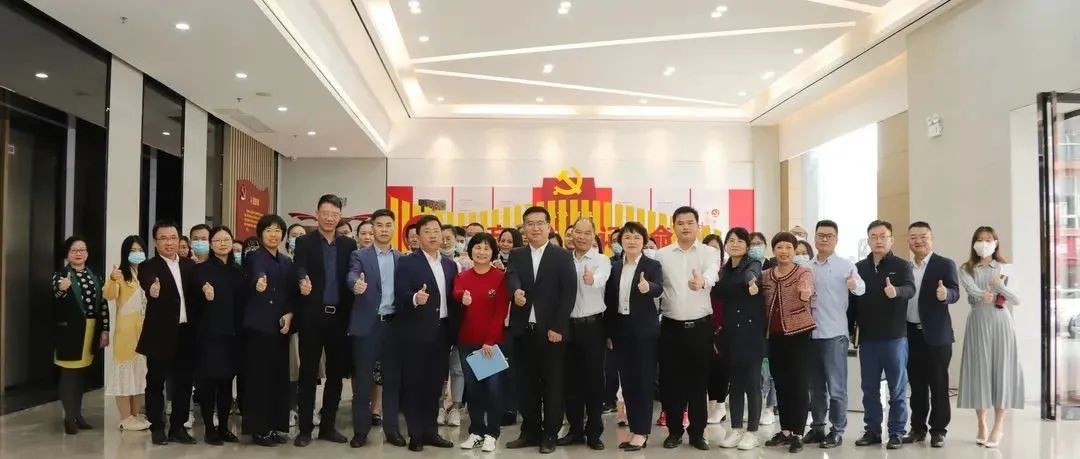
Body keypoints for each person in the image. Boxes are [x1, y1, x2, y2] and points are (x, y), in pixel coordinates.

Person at [504, 206, 577, 454]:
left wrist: (558, 326)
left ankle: (550, 434)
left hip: (551, 333)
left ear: (548, 226)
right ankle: (530, 432)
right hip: (523, 330)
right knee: (525, 385)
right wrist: (516, 291)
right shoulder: (517, 254)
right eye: (530, 224)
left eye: (539, 223)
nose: (535, 228)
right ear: (523, 228)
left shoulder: (562, 256)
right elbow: (511, 276)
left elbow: (568, 294)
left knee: (553, 386)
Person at [292, 194, 358, 446]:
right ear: (317, 214)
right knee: (308, 373)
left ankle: (328, 426)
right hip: (312, 316)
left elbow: (351, 275)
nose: (330, 218)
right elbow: (298, 267)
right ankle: (305, 429)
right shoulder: (304, 242)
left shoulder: (348, 245)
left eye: (335, 214)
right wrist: (302, 280)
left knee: (335, 375)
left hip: (339, 318)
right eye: (326, 213)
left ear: (340, 216)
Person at [394, 215, 460, 451]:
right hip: (415, 333)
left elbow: (453, 298)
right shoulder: (407, 262)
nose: (433, 235)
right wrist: (415, 298)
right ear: (418, 237)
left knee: (435, 385)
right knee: (414, 384)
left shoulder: (450, 265)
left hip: (442, 332)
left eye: (436, 231)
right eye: (427, 231)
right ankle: (416, 434)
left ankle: (431, 432)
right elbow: (399, 294)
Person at [656, 206, 719, 450]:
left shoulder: (709, 252)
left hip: (700, 328)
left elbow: (712, 274)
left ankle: (697, 433)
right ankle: (674, 431)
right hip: (670, 328)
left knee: (698, 383)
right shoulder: (662, 255)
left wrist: (702, 282)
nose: (685, 227)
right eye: (680, 223)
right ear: (673, 226)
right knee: (671, 382)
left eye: (690, 222)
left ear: (697, 225)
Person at [850, 220, 916, 450]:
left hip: (894, 337)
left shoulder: (902, 265)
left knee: (897, 389)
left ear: (891, 240)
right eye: (874, 236)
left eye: (883, 236)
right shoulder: (859, 268)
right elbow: (852, 303)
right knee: (869, 389)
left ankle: (897, 431)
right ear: (868, 240)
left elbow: (910, 289)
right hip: (868, 339)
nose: (878, 241)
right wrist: (850, 331)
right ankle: (872, 430)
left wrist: (896, 291)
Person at [957, 226, 1023, 448]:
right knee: (980, 371)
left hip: (1000, 321)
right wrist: (983, 293)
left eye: (988, 239)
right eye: (979, 239)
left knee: (1001, 371)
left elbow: (1016, 299)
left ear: (995, 243)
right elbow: (972, 291)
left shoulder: (1005, 268)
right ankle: (981, 423)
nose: (984, 243)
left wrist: (999, 287)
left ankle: (999, 425)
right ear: (974, 243)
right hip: (978, 321)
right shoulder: (966, 268)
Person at [346, 209, 405, 448]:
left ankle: (392, 430)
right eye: (379, 225)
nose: (383, 229)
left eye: (388, 225)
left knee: (392, 381)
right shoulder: (360, 255)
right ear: (372, 228)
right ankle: (361, 431)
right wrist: (355, 285)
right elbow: (351, 275)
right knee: (362, 382)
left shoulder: (402, 258)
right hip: (367, 327)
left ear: (393, 228)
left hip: (393, 326)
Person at [804, 220, 864, 449]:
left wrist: (853, 284)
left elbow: (862, 288)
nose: (824, 239)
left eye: (829, 235)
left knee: (836, 388)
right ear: (814, 238)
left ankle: (837, 430)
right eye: (821, 235)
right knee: (815, 387)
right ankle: (817, 427)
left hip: (834, 334)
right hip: (811, 334)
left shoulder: (845, 265)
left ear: (836, 239)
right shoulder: (806, 266)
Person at [603, 221, 663, 451]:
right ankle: (634, 428)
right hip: (620, 330)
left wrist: (649, 288)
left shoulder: (652, 265)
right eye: (627, 237)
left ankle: (642, 432)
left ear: (644, 241)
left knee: (643, 382)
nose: (631, 241)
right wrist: (609, 332)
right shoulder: (615, 267)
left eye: (637, 237)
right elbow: (610, 302)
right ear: (621, 241)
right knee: (627, 383)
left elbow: (659, 287)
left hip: (644, 332)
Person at [137, 221, 198, 445]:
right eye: (163, 238)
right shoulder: (148, 266)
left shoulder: (190, 265)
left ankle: (178, 428)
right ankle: (157, 427)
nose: (169, 242)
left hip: (186, 333)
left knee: (184, 383)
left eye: (173, 238)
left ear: (179, 239)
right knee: (156, 382)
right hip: (160, 334)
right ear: (156, 242)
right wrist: (152, 289)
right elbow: (147, 282)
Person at [903, 222, 961, 447]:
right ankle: (918, 428)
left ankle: (938, 430)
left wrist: (946, 294)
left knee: (938, 385)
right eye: (913, 237)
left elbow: (955, 292)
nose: (918, 241)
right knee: (916, 385)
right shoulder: (905, 267)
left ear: (932, 239)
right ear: (908, 241)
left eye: (923, 236)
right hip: (910, 334)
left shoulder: (944, 264)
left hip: (936, 335)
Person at [241, 214, 296, 447]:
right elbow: (258, 273)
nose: (273, 235)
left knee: (278, 378)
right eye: (269, 230)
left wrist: (290, 313)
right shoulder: (254, 257)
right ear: (260, 233)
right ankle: (258, 429)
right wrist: (259, 282)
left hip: (280, 327)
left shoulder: (286, 261)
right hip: (258, 327)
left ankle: (274, 426)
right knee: (259, 379)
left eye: (278, 231)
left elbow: (290, 292)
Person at [452, 233, 510, 452]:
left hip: (490, 345)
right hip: (467, 341)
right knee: (473, 389)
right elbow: (456, 292)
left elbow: (500, 312)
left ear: (493, 252)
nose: (481, 252)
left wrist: (490, 341)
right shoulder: (463, 276)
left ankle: (492, 433)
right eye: (477, 247)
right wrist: (462, 297)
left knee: (493, 389)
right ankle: (476, 431)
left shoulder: (500, 277)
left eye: (486, 248)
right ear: (470, 250)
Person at [558, 217, 611, 450]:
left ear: (593, 235)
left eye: (586, 233)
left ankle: (594, 431)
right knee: (570, 381)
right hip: (567, 327)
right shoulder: (562, 260)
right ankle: (575, 430)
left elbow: (602, 279)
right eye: (576, 232)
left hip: (593, 327)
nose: (581, 237)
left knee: (594, 381)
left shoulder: (601, 260)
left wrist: (592, 279)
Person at [761, 232, 817, 454]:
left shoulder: (804, 272)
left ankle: (798, 433)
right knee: (781, 384)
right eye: (779, 247)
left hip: (798, 334)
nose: (784, 251)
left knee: (799, 384)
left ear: (794, 251)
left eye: (788, 247)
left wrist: (805, 293)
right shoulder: (766, 275)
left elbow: (807, 289)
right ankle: (785, 430)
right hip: (774, 337)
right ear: (774, 250)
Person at [189, 226, 243, 445]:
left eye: (226, 239)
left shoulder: (238, 271)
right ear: (211, 244)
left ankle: (223, 427)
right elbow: (191, 305)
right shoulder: (200, 271)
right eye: (218, 240)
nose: (222, 243)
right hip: (208, 336)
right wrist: (204, 297)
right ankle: (209, 429)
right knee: (208, 384)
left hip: (232, 336)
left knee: (226, 384)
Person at [52, 236, 110, 435]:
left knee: (81, 376)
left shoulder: (95, 276)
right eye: (74, 250)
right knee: (69, 375)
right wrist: (62, 289)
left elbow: (103, 304)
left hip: (90, 330)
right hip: (70, 331)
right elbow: (56, 295)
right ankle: (68, 417)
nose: (78, 253)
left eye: (82, 250)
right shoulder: (61, 275)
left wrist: (105, 329)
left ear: (87, 253)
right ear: (67, 254)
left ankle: (77, 415)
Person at [714, 228, 764, 450]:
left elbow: (751, 274)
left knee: (752, 383)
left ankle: (752, 432)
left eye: (740, 241)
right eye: (731, 240)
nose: (734, 244)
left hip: (751, 333)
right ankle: (735, 429)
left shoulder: (753, 264)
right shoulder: (724, 270)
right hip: (730, 334)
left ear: (747, 245)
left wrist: (752, 282)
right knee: (735, 384)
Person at [103, 235, 151, 431]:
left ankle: (135, 415)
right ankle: (125, 418)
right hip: (126, 334)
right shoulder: (120, 274)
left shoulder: (146, 273)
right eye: (133, 250)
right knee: (124, 375)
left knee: (139, 376)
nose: (137, 254)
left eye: (140, 250)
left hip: (144, 332)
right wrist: (113, 279)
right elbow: (108, 294)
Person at [701, 234, 728, 425]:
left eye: (716, 247)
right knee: (707, 367)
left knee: (720, 367)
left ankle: (720, 405)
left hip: (722, 326)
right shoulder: (701, 271)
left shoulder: (726, 271)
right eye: (709, 247)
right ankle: (711, 405)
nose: (713, 251)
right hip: (703, 323)